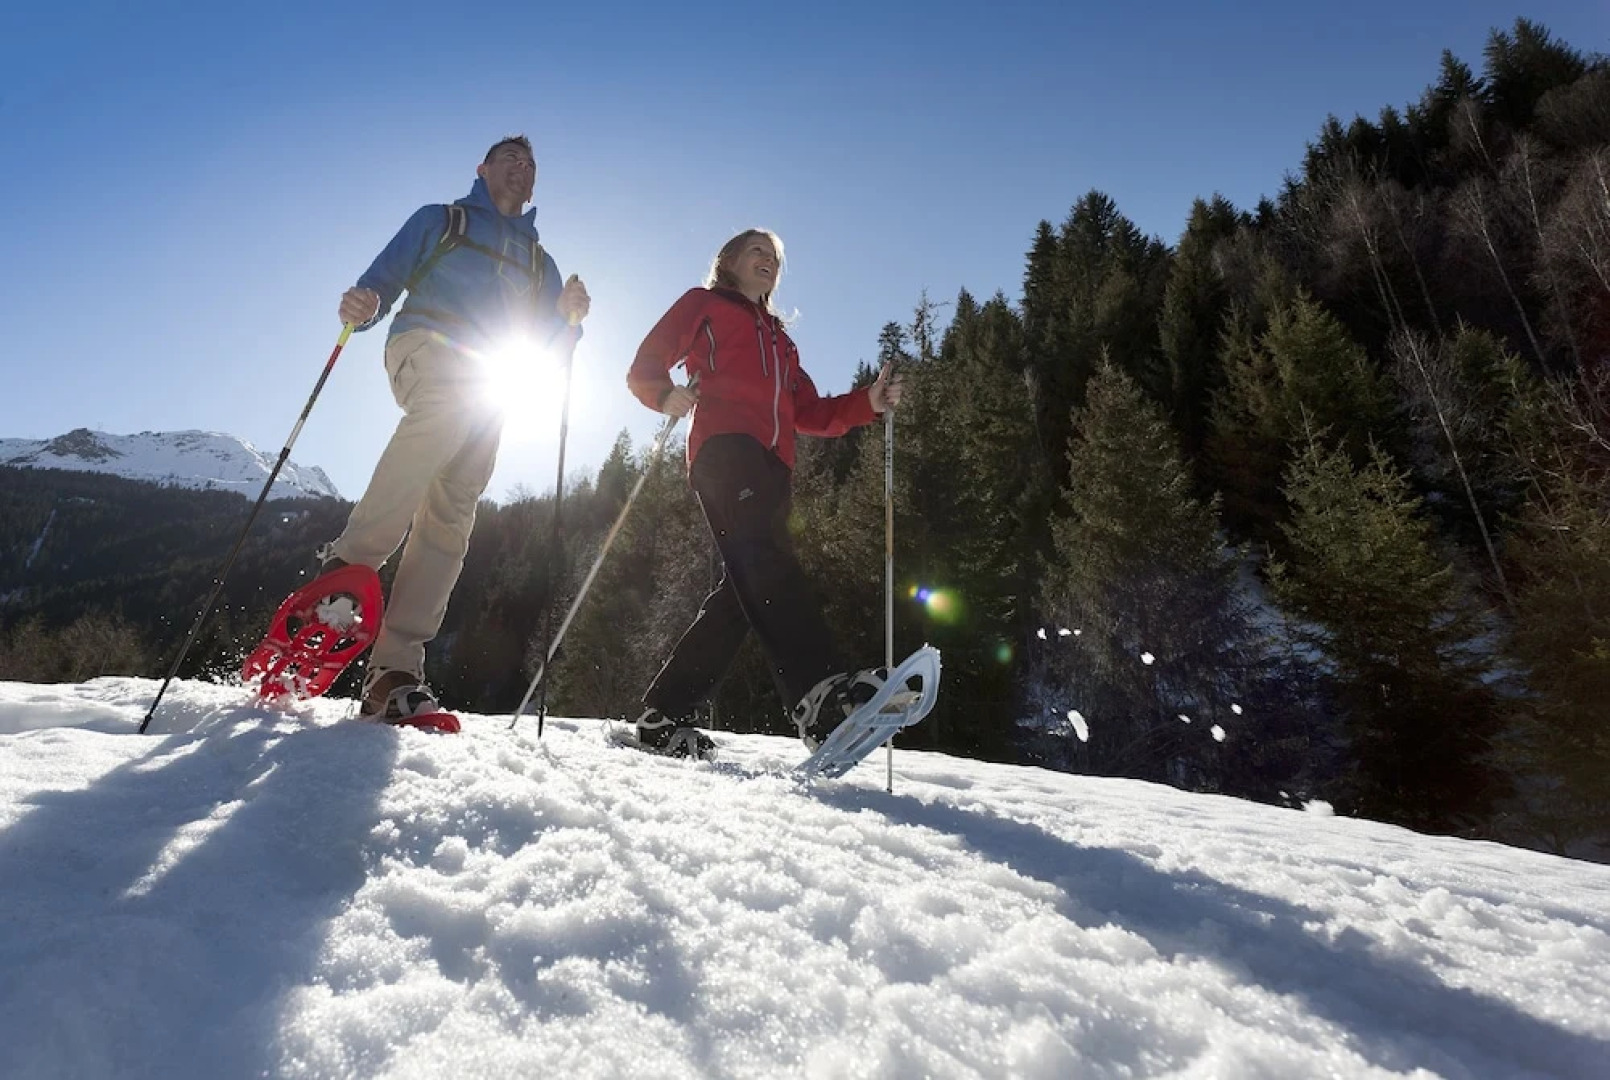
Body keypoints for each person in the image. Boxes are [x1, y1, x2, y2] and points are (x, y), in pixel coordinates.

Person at [321, 135, 591, 720]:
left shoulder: (540, 262)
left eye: (531, 164)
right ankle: (346, 571)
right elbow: (381, 282)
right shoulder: (442, 221)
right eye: (510, 158)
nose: (522, 168)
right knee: (446, 404)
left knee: (456, 502)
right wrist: (363, 305)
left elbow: (551, 347)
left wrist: (570, 319)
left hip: (491, 376)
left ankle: (395, 671)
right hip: (425, 346)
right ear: (482, 168)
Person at [625, 228, 903, 759]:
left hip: (774, 469)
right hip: (726, 450)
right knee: (766, 562)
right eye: (757, 250)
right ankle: (821, 695)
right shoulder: (705, 304)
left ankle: (663, 716)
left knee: (743, 590)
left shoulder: (781, 341)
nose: (768, 260)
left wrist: (867, 402)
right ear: (728, 261)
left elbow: (810, 412)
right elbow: (646, 362)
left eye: (774, 256)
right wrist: (663, 393)